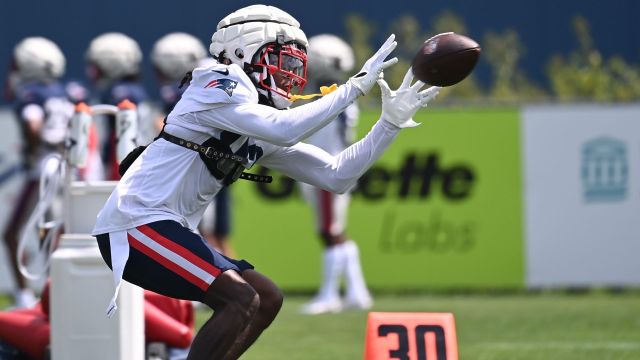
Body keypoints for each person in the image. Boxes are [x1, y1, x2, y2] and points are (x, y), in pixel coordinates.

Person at [91, 4, 440, 360]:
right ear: (241, 52)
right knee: (241, 299)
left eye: (294, 65)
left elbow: (336, 176)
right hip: (135, 224)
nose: (289, 74)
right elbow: (284, 129)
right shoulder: (215, 81)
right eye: (281, 61)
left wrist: (389, 125)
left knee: (266, 299)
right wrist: (353, 88)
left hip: (166, 227)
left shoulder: (255, 118)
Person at [3, 37, 82, 308]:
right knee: (53, 235)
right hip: (65, 169)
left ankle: (28, 298)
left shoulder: (33, 94)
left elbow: (33, 123)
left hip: (43, 171)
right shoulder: (63, 92)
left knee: (14, 233)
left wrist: (34, 148)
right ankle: (57, 297)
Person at [298, 34, 372, 315]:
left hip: (326, 168)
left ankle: (331, 294)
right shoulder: (340, 96)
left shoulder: (333, 97)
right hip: (332, 167)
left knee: (329, 232)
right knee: (336, 232)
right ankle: (357, 291)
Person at [151, 32, 236, 257]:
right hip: (212, 163)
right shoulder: (203, 80)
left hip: (203, 167)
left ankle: (230, 285)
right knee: (214, 234)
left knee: (208, 234)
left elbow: (167, 126)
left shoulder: (195, 86)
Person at [85, 32, 150, 180]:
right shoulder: (133, 89)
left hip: (126, 161)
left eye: (96, 65)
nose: (92, 71)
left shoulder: (120, 93)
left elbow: (121, 136)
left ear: (112, 63)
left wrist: (116, 172)